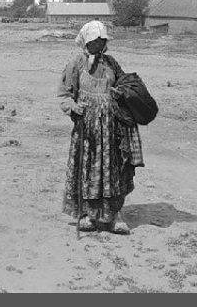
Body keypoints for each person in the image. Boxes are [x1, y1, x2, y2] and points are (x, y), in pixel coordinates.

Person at [57, 20, 145, 234]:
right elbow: (64, 94)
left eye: (102, 40)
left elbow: (125, 85)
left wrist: (124, 93)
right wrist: (74, 107)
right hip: (87, 129)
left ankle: (114, 215)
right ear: (86, 41)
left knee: (113, 171)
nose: (99, 44)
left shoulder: (112, 63)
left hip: (111, 127)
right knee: (87, 169)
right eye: (95, 40)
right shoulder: (76, 63)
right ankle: (86, 214)